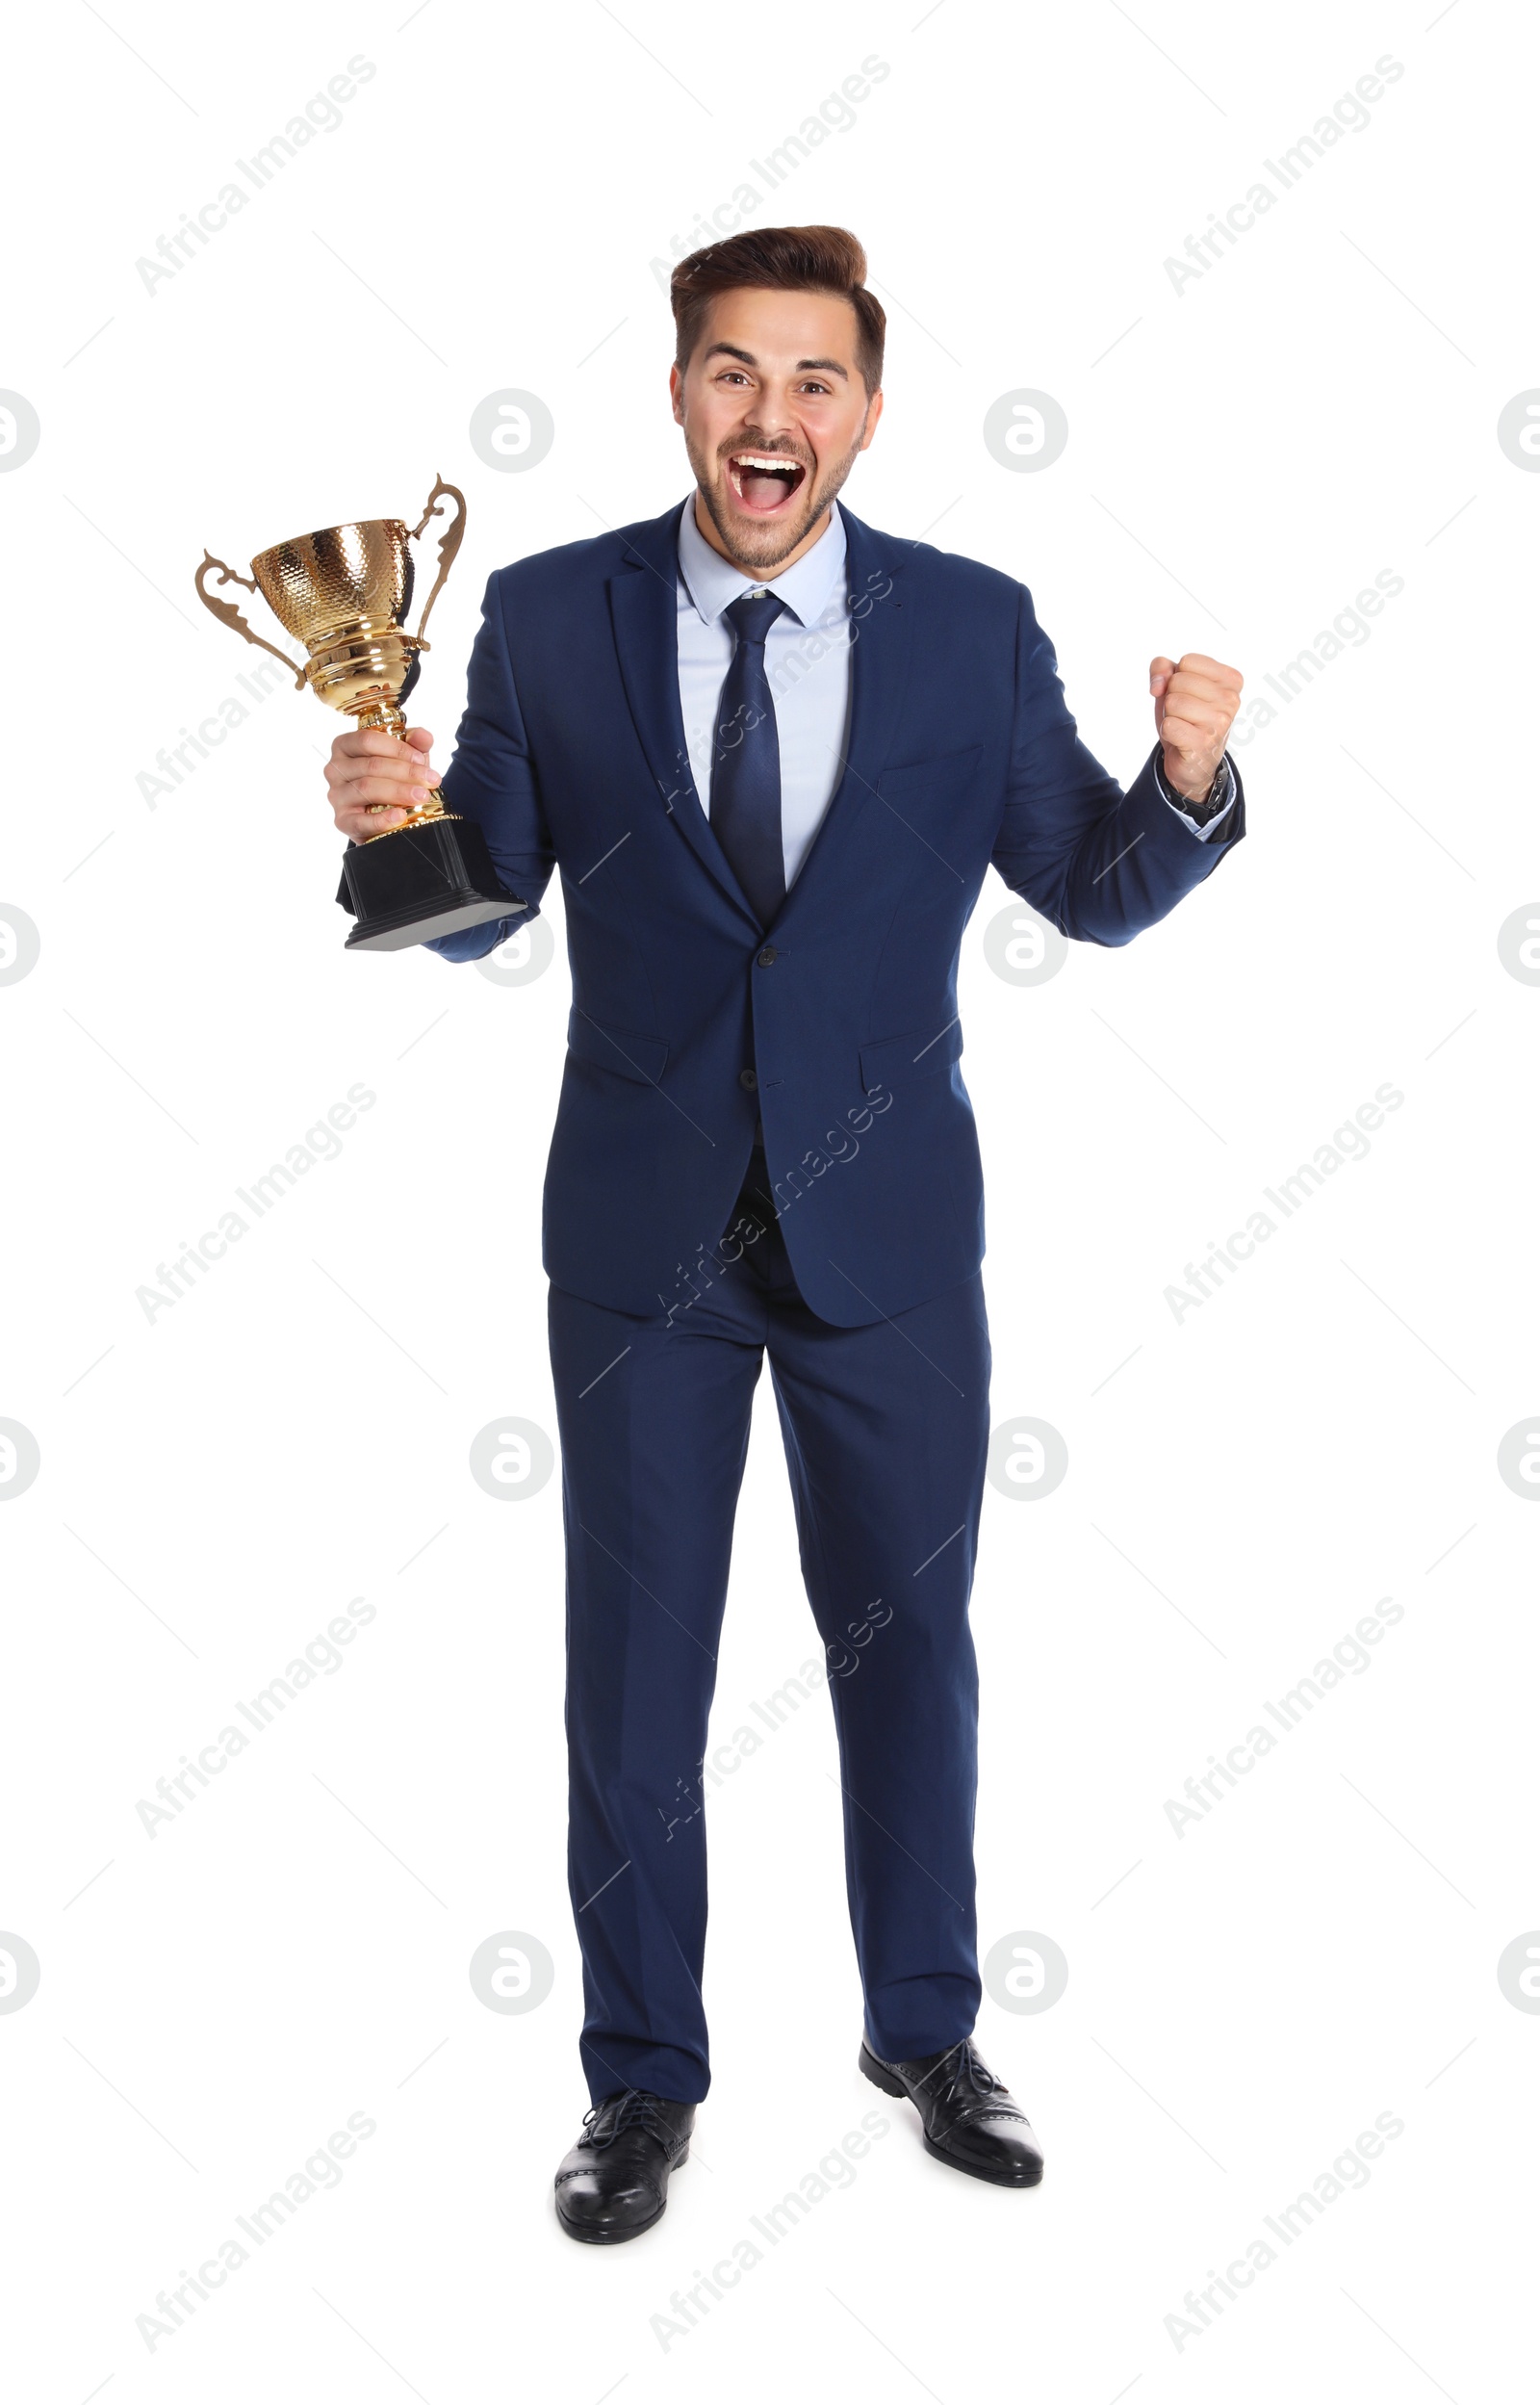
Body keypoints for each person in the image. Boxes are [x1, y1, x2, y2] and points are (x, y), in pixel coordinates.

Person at [323, 224, 1245, 2242]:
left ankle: (924, 2028)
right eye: (732, 372)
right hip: (643, 1240)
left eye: (811, 380)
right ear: (677, 391)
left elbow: (1084, 885)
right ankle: (639, 2079)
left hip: (887, 1242)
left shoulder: (972, 627)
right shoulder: (552, 620)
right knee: (633, 1680)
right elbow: (488, 900)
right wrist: (391, 826)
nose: (771, 415)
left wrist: (1184, 781)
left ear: (865, 412)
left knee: (909, 1644)